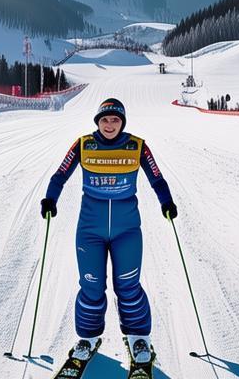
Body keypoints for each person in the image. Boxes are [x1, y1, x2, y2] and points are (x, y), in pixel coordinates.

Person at [41, 98, 175, 371]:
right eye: (105, 119)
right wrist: (50, 199)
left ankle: (139, 339)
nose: (110, 124)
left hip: (127, 231)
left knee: (128, 286)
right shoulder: (83, 145)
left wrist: (166, 202)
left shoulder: (137, 146)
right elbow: (60, 175)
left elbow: (157, 178)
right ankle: (87, 339)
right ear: (98, 122)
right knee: (91, 286)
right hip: (90, 231)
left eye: (115, 119)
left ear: (122, 122)